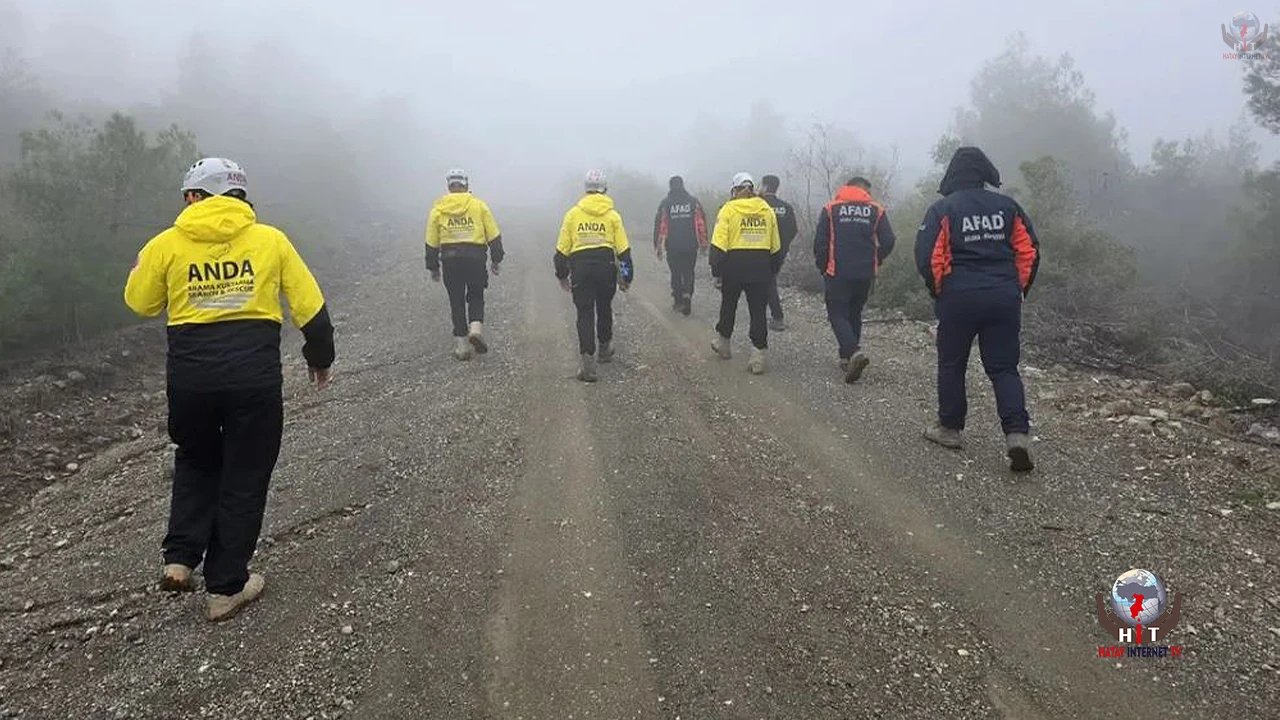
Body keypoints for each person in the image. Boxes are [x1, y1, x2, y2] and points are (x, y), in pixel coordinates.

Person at [124, 157, 334, 621]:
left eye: (188, 196)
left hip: (190, 381)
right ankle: (225, 587)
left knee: (197, 458)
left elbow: (139, 303)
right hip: (252, 380)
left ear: (198, 196)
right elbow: (310, 307)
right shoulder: (270, 240)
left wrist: (147, 268)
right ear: (239, 196)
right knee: (245, 472)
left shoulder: (166, 244)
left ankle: (179, 558)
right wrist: (320, 358)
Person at [914, 147, 1041, 472]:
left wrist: (940, 291)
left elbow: (929, 257)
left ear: (952, 174)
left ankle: (950, 428)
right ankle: (1016, 434)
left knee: (952, 363)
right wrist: (1017, 291)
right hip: (1003, 296)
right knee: (1004, 368)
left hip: (959, 297)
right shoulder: (1008, 206)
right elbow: (1029, 252)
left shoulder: (943, 208)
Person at [813, 176, 896, 383]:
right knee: (854, 313)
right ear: (863, 189)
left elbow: (820, 241)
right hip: (865, 272)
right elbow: (888, 240)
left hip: (837, 271)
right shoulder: (876, 210)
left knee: (837, 314)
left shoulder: (831, 208)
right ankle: (847, 357)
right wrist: (876, 259)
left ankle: (852, 352)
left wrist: (823, 266)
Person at [555, 170, 634, 383]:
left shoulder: (572, 214)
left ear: (585, 189)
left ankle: (588, 363)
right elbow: (624, 252)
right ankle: (605, 349)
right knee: (604, 306)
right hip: (606, 267)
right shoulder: (612, 215)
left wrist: (562, 275)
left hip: (580, 267)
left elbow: (562, 251)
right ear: (605, 189)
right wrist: (627, 277)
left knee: (585, 312)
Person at [425, 169, 504, 361]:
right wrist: (496, 258)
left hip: (450, 259)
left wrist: (433, 267)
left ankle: (461, 346)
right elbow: (493, 234)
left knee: (456, 300)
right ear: (466, 185)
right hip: (475, 257)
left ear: (449, 186)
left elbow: (431, 240)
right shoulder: (478, 206)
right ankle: (475, 329)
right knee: (476, 295)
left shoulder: (438, 208)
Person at [709, 172, 782, 375]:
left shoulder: (728, 210)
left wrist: (717, 271)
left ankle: (724, 344)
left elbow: (718, 244)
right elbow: (775, 245)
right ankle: (758, 355)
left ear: (734, 190)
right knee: (758, 310)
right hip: (760, 266)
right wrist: (773, 269)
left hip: (734, 265)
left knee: (729, 304)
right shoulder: (766, 209)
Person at [652, 175, 708, 316]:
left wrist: (657, 246)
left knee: (675, 273)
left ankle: (677, 301)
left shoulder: (666, 203)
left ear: (670, 186)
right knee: (689, 271)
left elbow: (659, 224)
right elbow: (701, 223)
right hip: (690, 245)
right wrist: (704, 243)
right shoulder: (693, 202)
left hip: (673, 246)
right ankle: (687, 294)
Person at [759, 174, 798, 331]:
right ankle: (771, 315)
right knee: (768, 280)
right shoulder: (786, 207)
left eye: (761, 185)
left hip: (759, 251)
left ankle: (777, 317)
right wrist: (783, 247)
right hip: (779, 253)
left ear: (766, 187)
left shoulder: (758, 205)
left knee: (766, 283)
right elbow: (793, 230)